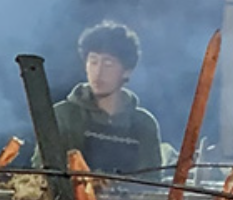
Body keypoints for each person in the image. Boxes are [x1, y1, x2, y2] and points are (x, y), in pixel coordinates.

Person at [47, 20, 163, 178]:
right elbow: (46, 172)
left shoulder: (144, 124)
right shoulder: (63, 114)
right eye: (93, 62)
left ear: (127, 71)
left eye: (108, 64)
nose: (98, 72)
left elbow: (152, 183)